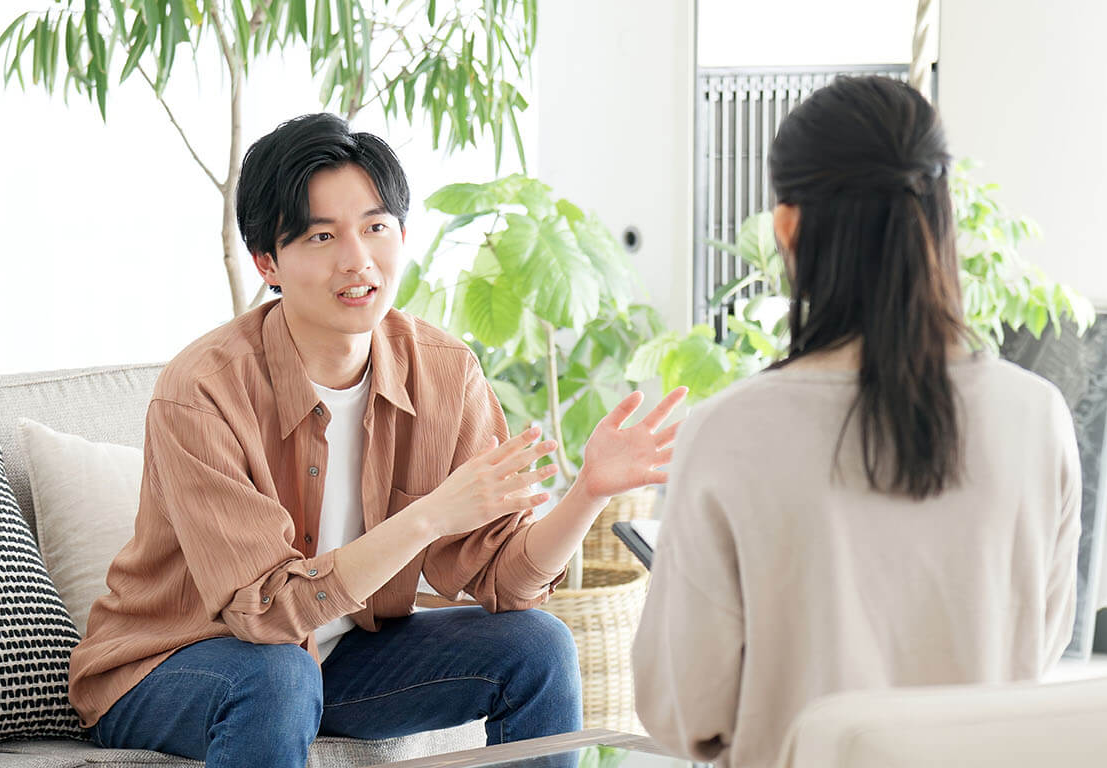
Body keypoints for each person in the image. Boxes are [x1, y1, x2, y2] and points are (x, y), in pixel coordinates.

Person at [68, 113, 686, 768]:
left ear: (401, 235)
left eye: (375, 227)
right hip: (168, 669)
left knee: (539, 646)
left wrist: (587, 492)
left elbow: (504, 581)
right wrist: (429, 518)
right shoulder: (202, 391)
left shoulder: (444, 373)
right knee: (279, 673)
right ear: (267, 262)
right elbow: (267, 614)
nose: (356, 259)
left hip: (338, 662)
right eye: (322, 235)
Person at [631, 76, 1081, 768]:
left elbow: (682, 709)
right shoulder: (1037, 416)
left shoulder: (727, 433)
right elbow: (1038, 646)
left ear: (788, 226)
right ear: (940, 212)